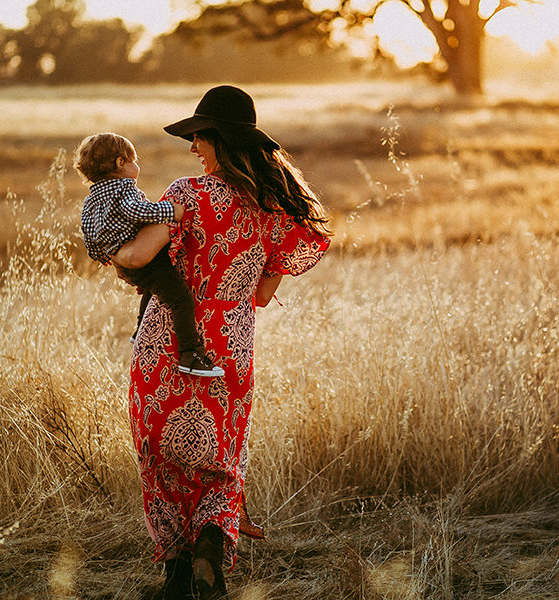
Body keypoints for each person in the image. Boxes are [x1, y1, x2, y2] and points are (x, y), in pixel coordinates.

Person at [111, 86, 331, 600]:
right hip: (229, 341)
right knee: (222, 456)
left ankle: (175, 572)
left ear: (218, 140)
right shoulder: (273, 208)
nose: (193, 149)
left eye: (199, 138)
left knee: (158, 453)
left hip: (168, 334)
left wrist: (112, 253)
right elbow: (259, 295)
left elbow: (138, 258)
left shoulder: (185, 195)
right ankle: (211, 546)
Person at [75, 132, 224, 377]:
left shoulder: (92, 199)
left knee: (155, 290)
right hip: (146, 262)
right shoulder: (123, 190)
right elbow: (138, 210)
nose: (137, 166)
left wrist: (104, 256)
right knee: (180, 300)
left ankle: (140, 330)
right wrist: (171, 211)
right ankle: (190, 353)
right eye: (134, 161)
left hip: (124, 260)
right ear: (120, 163)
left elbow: (88, 232)